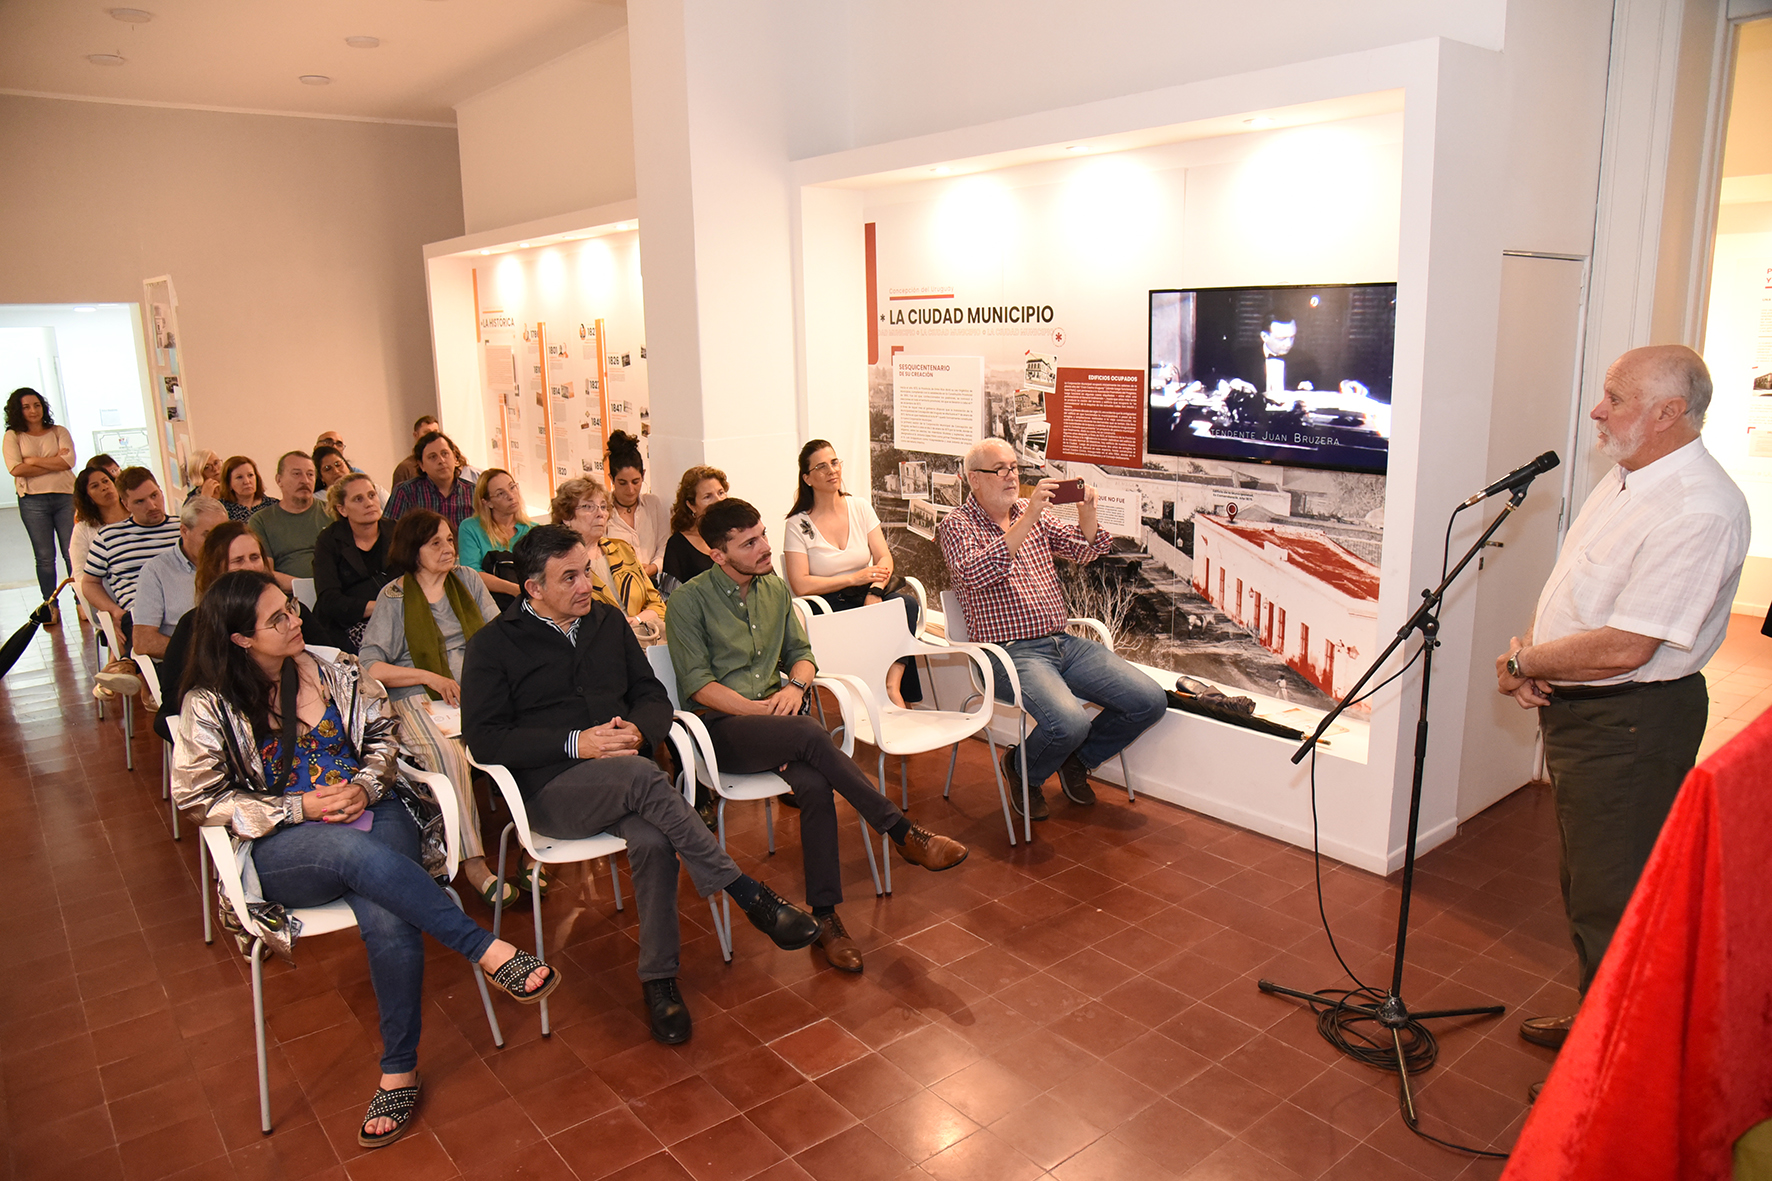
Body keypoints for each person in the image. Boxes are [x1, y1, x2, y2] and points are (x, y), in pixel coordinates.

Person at [171, 570, 559, 1149]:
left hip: (374, 813)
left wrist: (367, 786)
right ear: (240, 639)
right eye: (276, 619)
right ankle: (484, 948)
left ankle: (398, 1069)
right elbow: (201, 799)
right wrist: (298, 806)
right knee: (348, 850)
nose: (294, 620)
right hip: (288, 847)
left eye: (292, 608)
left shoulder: (335, 670)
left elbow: (383, 739)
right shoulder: (209, 705)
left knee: (386, 913)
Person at [462, 524, 823, 1044]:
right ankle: (746, 893)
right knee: (643, 776)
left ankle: (659, 980)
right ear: (533, 588)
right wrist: (574, 744)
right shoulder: (492, 646)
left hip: (627, 778)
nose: (586, 585)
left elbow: (652, 695)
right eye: (570, 578)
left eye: (586, 571)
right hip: (550, 793)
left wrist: (640, 727)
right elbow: (485, 740)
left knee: (654, 837)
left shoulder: (606, 622)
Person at [1495, 345, 1749, 1067]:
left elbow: (1629, 646)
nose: (1598, 410)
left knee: (1619, 902)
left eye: (1616, 397)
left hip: (1631, 726)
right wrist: (1539, 655)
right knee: (1587, 886)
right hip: (1589, 716)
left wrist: (1523, 662)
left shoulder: (1700, 508)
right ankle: (1596, 1021)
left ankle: (1611, 1076)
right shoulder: (1631, 477)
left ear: (1669, 413)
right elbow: (1589, 601)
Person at [667, 499, 969, 974]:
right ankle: (901, 831)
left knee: (813, 783)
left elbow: (803, 653)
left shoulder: (773, 588)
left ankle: (826, 917)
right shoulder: (688, 602)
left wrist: (797, 684)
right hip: (721, 731)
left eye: (763, 534)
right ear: (717, 554)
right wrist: (764, 710)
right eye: (749, 543)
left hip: (780, 726)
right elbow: (698, 686)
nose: (766, 548)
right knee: (809, 731)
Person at [939, 438, 1167, 821]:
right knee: (1069, 722)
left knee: (1149, 700)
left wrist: (1088, 513)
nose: (1011, 476)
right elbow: (975, 574)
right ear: (972, 479)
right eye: (1000, 469)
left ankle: (1078, 760)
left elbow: (1086, 550)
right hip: (1007, 652)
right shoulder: (956, 525)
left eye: (1013, 467)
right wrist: (1025, 521)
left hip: (1061, 642)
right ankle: (1023, 770)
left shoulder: (1030, 510)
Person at [359, 510, 516, 909]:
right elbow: (370, 665)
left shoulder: (467, 581)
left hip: (475, 692)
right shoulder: (394, 596)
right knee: (447, 755)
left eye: (449, 540)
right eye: (436, 543)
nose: (448, 548)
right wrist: (429, 677)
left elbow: (498, 638)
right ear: (414, 552)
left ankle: (535, 851)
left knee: (527, 731)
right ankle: (475, 864)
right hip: (417, 697)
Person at [782, 439, 920, 707]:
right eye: (821, 466)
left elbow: (884, 557)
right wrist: (853, 578)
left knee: (905, 604)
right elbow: (800, 584)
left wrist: (874, 591)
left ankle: (892, 683)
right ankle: (874, 694)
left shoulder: (859, 507)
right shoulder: (797, 524)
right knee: (881, 623)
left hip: (865, 594)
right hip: (828, 604)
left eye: (834, 462)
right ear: (807, 478)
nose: (832, 470)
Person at [153, 522, 267, 741]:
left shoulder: (290, 613)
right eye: (238, 560)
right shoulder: (193, 625)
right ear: (217, 569)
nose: (251, 567)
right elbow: (174, 699)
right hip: (225, 728)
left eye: (255, 557)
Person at [553, 476, 666, 644]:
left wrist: (635, 620)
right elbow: (563, 618)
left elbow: (657, 605)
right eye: (588, 507)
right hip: (596, 646)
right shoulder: (559, 561)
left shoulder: (622, 549)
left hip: (644, 637)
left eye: (603, 507)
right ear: (567, 516)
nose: (600, 514)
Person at [81, 467, 183, 650]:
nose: (151, 506)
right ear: (126, 504)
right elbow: (89, 583)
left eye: (154, 496)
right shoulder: (109, 537)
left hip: (184, 610)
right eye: (140, 501)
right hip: (139, 615)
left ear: (161, 491)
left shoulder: (183, 529)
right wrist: (114, 611)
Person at [4, 387, 77, 620]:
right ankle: (50, 606)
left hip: (66, 496)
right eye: (26, 407)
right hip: (33, 501)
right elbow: (16, 468)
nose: (33, 410)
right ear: (18, 410)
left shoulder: (58, 431)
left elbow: (69, 462)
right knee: (45, 556)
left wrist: (33, 460)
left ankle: (81, 601)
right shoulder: (13, 436)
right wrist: (54, 461)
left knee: (72, 552)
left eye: (36, 405)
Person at [131, 496, 227, 660]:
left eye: (222, 535)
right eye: (207, 535)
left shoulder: (232, 562)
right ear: (184, 531)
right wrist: (202, 655)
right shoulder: (157, 571)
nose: (217, 544)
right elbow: (144, 641)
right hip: (184, 662)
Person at [311, 473, 395, 653]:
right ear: (342, 509)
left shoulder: (397, 532)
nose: (369, 503)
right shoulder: (329, 540)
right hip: (345, 626)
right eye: (358, 499)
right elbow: (329, 600)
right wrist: (382, 606)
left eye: (371, 495)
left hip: (397, 618)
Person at [248, 452, 328, 592]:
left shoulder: (332, 513)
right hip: (288, 598)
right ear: (279, 480)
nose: (305, 480)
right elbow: (265, 573)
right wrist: (306, 588)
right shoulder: (261, 521)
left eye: (310, 474)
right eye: (297, 474)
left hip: (335, 594)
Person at [455, 468, 532, 600]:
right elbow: (472, 573)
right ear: (487, 502)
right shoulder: (470, 528)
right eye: (501, 493)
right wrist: (513, 589)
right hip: (487, 600)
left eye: (512, 487)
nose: (511, 496)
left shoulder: (532, 530)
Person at [604, 430, 669, 579]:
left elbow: (665, 544)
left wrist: (653, 567)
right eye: (622, 483)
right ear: (612, 479)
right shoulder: (603, 510)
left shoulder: (653, 504)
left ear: (643, 475)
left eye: (635, 481)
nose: (631, 490)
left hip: (653, 583)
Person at [71, 464, 128, 622]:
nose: (104, 488)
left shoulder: (137, 515)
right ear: (87, 497)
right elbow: (81, 575)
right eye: (95, 486)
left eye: (106, 481)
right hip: (106, 598)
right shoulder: (84, 529)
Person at [385, 430, 475, 527]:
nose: (441, 460)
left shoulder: (474, 492)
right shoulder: (406, 493)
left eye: (445, 453)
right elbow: (388, 534)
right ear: (421, 465)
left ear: (455, 458)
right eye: (433, 457)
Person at [662, 465, 728, 589]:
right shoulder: (678, 545)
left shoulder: (736, 533)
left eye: (721, 493)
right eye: (708, 497)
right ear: (691, 505)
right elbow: (669, 595)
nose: (718, 500)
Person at [219, 455, 277, 521]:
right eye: (239, 477)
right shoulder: (221, 508)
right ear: (228, 483)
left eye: (250, 475)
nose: (247, 481)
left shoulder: (274, 506)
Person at [390, 416, 437, 489]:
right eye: (427, 433)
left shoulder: (444, 463)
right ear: (416, 435)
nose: (431, 437)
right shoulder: (405, 469)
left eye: (435, 432)